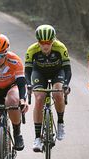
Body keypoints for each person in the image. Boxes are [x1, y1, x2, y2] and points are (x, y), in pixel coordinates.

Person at [25, 24, 72, 152]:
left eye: (49, 42)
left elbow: (67, 69)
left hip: (57, 72)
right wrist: (29, 84)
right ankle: (37, 138)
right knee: (39, 98)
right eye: (42, 43)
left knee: (58, 94)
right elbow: (27, 71)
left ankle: (60, 122)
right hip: (39, 73)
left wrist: (66, 84)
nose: (45, 46)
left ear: (53, 41)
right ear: (38, 41)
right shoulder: (32, 50)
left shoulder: (60, 48)